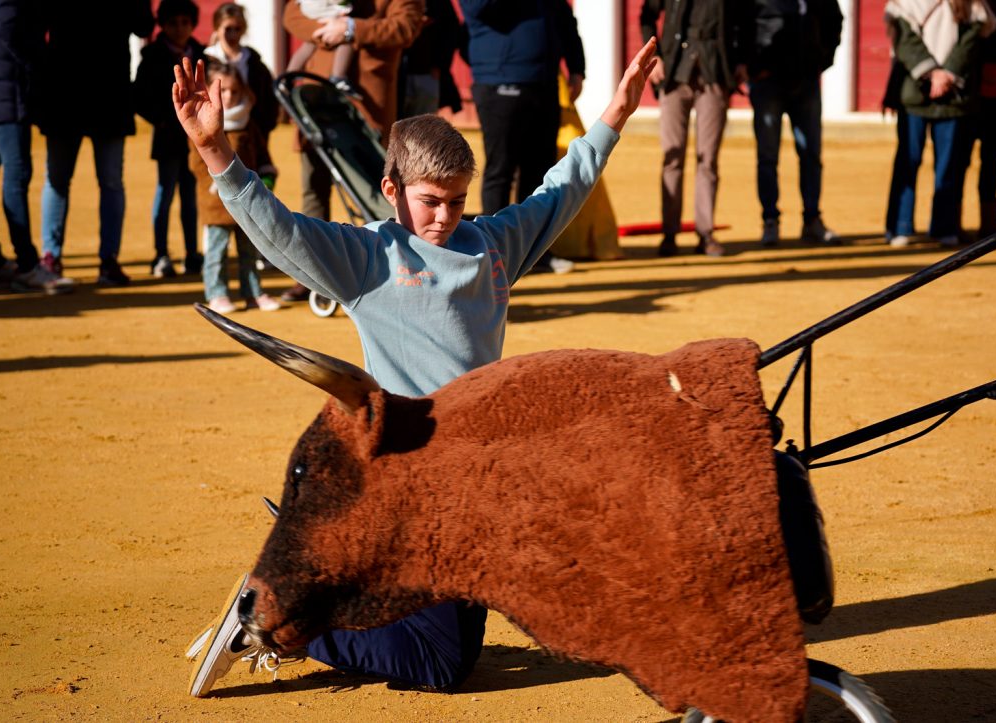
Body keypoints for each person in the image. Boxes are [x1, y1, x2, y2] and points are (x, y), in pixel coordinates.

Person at [172, 36, 659, 697]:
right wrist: (214, 151)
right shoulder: (369, 255)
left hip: (477, 485)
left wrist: (615, 115)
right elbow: (281, 230)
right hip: (407, 485)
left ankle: (328, 585)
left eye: (458, 199)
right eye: (431, 200)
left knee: (454, 652)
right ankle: (280, 620)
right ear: (391, 189)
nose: (447, 216)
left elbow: (561, 189)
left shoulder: (490, 244)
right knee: (441, 665)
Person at [280, 0, 423, 302]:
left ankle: (381, 273)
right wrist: (327, 28)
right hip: (317, 101)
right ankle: (311, 274)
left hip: (367, 101)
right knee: (314, 189)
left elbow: (406, 26)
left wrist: (350, 28)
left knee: (373, 190)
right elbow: (293, 15)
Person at [460, 0, 586, 274]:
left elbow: (562, 16)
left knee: (540, 173)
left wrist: (577, 65)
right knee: (501, 169)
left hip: (544, 82)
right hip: (499, 80)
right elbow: (478, 9)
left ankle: (536, 252)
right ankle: (493, 253)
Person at [36, 0, 154, 286]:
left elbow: (143, 27)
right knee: (63, 179)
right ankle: (58, 256)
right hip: (75, 93)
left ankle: (101, 259)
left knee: (95, 181)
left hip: (98, 94)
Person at [640, 0, 753, 257]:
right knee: (672, 155)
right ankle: (670, 233)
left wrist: (743, 61)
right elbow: (646, 16)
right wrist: (653, 56)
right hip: (674, 72)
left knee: (708, 158)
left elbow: (746, 22)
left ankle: (705, 233)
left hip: (715, 70)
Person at [883, 0, 996, 248]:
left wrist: (948, 74)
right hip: (914, 91)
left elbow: (971, 41)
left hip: (954, 94)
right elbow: (904, 40)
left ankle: (944, 226)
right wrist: (933, 72)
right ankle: (900, 226)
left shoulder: (971, 3)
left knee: (949, 163)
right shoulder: (905, 3)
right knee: (908, 159)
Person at [0, 0, 74, 294]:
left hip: (3, 92)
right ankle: (27, 265)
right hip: (7, 97)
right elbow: (7, 29)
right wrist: (38, 66)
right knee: (17, 177)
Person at [190, 61, 281, 314]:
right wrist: (216, 183)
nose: (228, 97)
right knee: (216, 252)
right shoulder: (200, 123)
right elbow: (196, 163)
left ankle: (252, 292)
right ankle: (217, 294)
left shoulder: (248, 124)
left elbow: (263, 157)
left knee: (249, 251)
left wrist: (267, 179)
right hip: (216, 204)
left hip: (247, 203)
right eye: (222, 91)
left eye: (234, 91)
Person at [749, 0, 842, 247]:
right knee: (768, 157)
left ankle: (812, 219)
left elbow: (834, 20)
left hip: (806, 81)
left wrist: (821, 61)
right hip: (767, 83)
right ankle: (770, 220)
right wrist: (754, 67)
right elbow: (739, 24)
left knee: (811, 154)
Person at [135, 0, 206, 279]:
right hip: (167, 137)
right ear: (163, 25)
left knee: (190, 198)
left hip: (195, 139)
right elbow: (139, 96)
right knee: (164, 194)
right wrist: (162, 119)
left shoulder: (201, 53)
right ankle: (161, 254)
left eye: (185, 23)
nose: (179, 28)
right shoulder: (152, 55)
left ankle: (191, 254)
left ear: (192, 24)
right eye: (173, 23)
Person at [956, 0, 996, 239]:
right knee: (962, 161)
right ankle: (954, 222)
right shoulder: (963, 5)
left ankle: (987, 223)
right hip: (967, 94)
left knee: (988, 160)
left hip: (995, 97)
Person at [204, 3, 280, 145]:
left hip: (250, 132)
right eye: (228, 29)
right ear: (217, 28)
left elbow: (268, 99)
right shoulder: (206, 60)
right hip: (212, 130)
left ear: (243, 29)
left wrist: (264, 128)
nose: (233, 34)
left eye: (237, 29)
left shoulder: (254, 62)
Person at [396, 0, 463, 119]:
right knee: (391, 131)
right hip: (393, 74)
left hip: (426, 72)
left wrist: (440, 65)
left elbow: (451, 28)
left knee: (424, 132)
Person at [286, 0, 362, 99]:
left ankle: (288, 77)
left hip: (311, 7)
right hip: (323, 7)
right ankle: (338, 77)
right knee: (346, 34)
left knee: (309, 45)